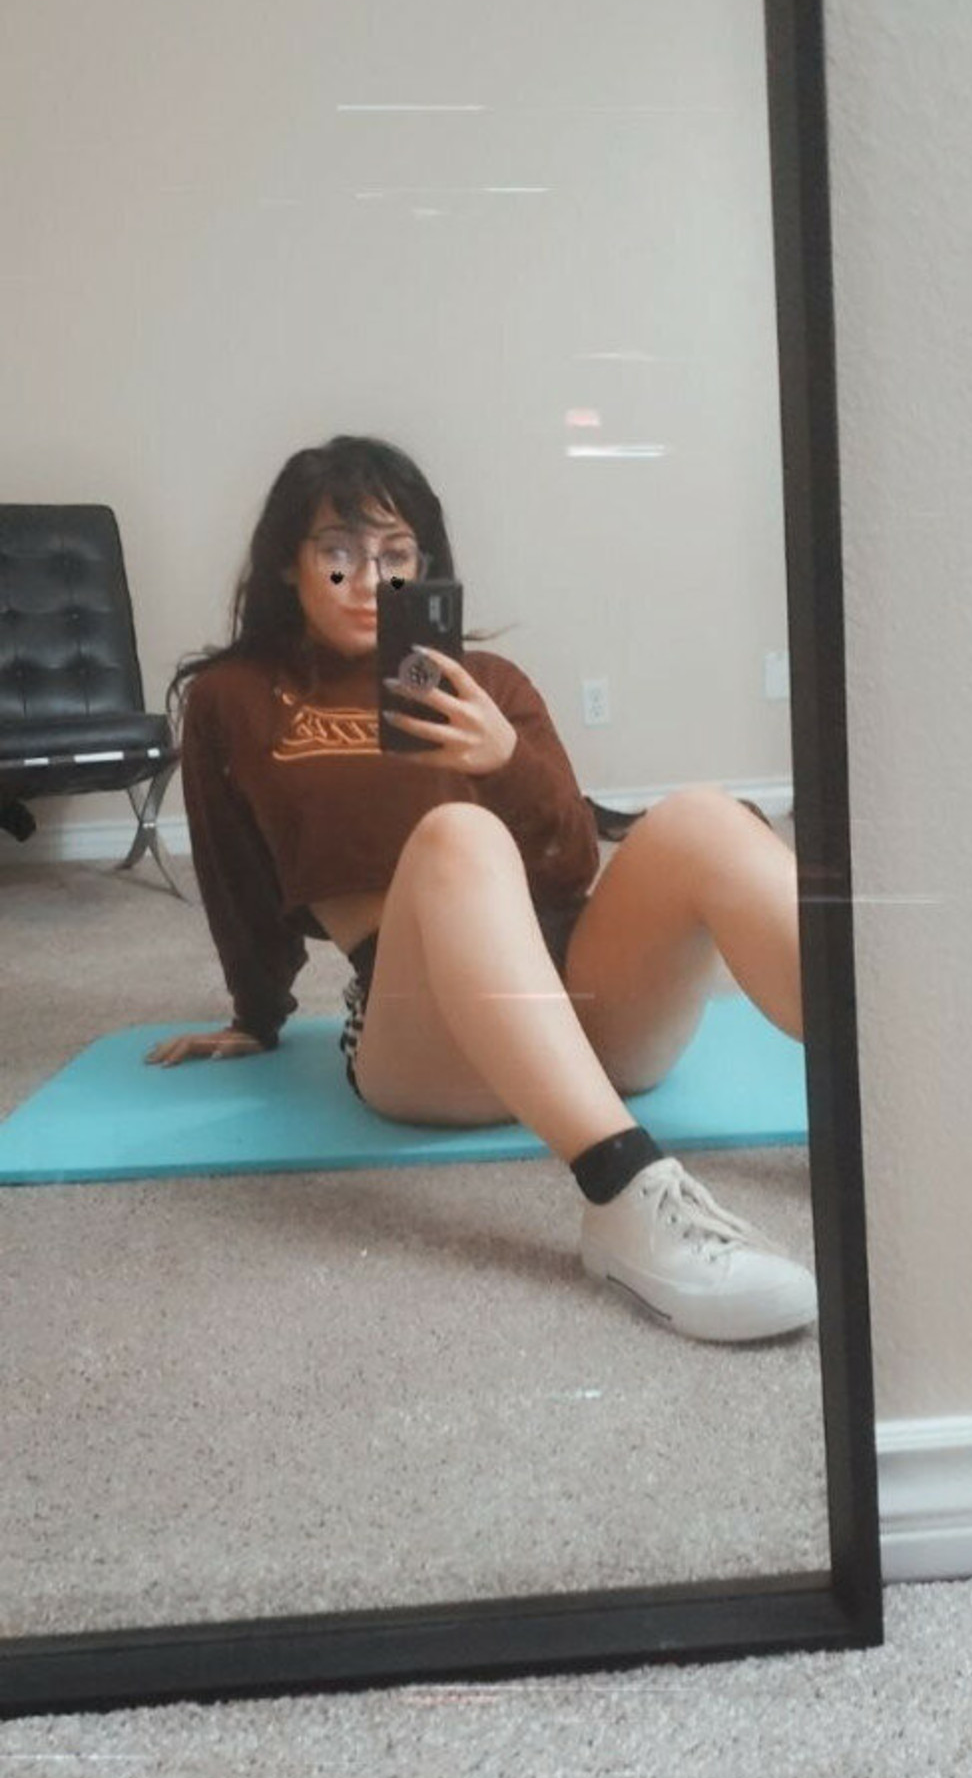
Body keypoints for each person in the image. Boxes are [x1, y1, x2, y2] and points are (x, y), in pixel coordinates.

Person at [149, 433, 817, 1345]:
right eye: (338, 553)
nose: (368, 580)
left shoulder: (486, 683)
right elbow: (229, 866)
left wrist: (503, 758)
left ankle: (906, 1090)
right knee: (458, 838)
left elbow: (573, 864)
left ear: (424, 564)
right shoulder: (236, 696)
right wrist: (255, 1013)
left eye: (394, 555)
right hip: (431, 1035)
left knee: (704, 816)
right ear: (286, 564)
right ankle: (627, 1198)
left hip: (588, 1002)